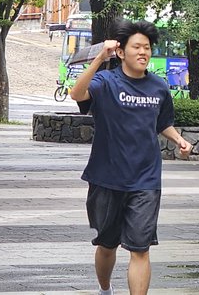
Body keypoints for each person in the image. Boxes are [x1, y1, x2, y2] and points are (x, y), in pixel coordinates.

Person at [70, 19, 192, 295]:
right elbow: (77, 93)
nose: (143, 52)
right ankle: (105, 290)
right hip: (107, 177)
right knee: (107, 244)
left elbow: (162, 124)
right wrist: (101, 56)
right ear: (121, 52)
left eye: (147, 48)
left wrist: (179, 139)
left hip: (146, 180)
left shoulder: (158, 88)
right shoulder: (105, 81)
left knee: (140, 248)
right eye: (136, 47)